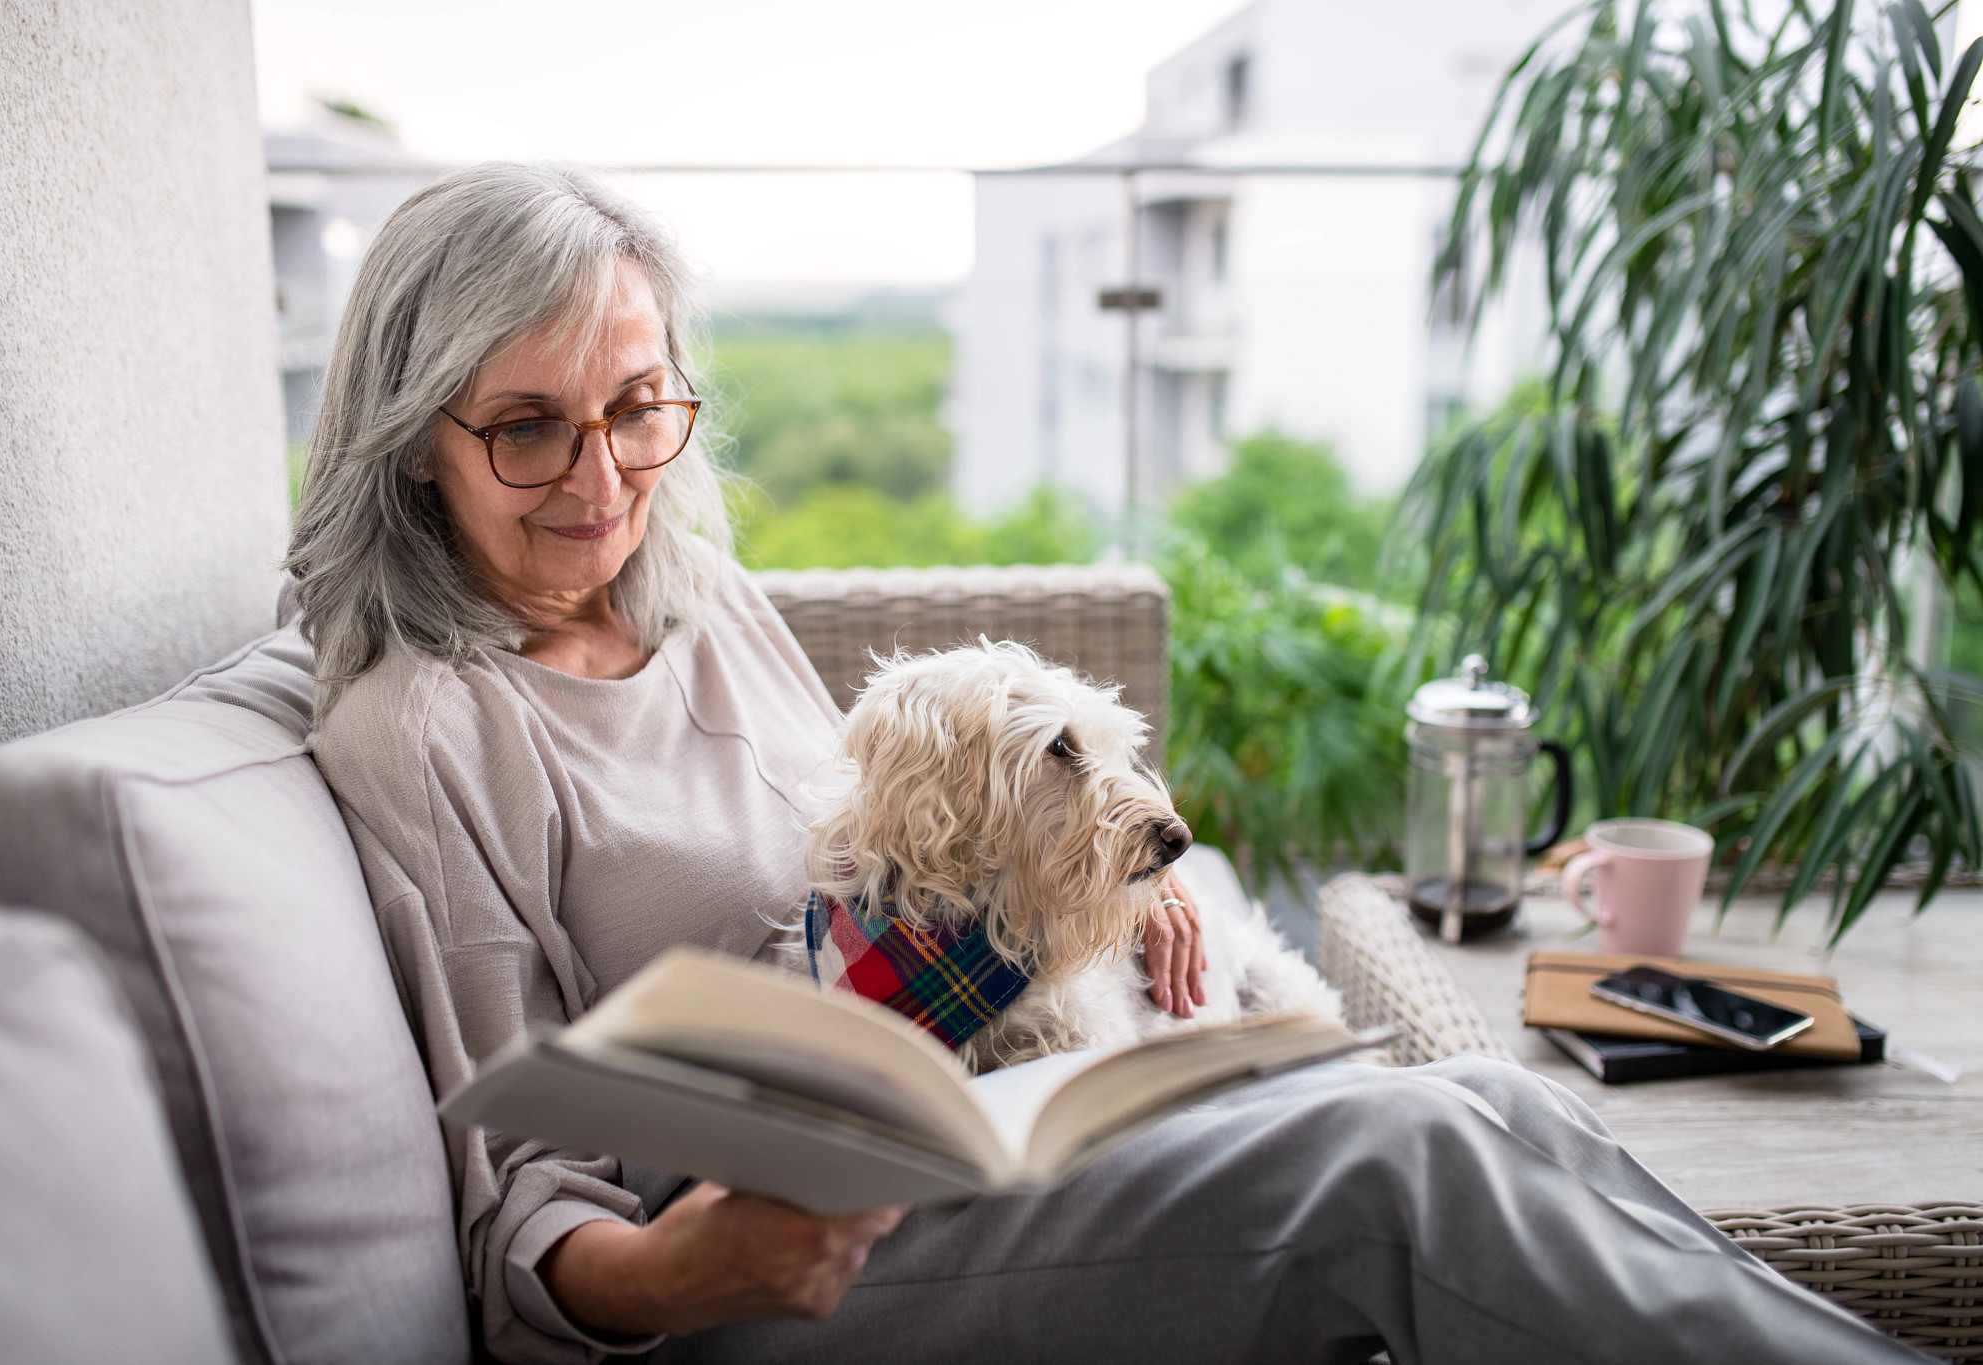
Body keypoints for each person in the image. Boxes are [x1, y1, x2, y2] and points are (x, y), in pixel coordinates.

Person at [291, 163, 1920, 1365]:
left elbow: (903, 855)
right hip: (770, 1277)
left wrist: (1094, 899)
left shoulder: (700, 610)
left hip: (960, 1136)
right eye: (528, 427)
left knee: (1488, 1098)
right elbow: (515, 1205)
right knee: (1396, 1156)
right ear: (408, 433)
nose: (602, 476)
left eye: (641, 408)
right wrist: (688, 1263)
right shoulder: (432, 722)